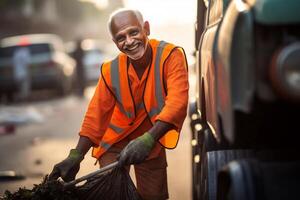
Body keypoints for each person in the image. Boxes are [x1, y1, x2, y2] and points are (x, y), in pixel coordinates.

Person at [49, 8, 189, 200]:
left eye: (133, 32)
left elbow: (177, 103)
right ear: (115, 43)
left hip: (151, 140)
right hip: (114, 142)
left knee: (154, 196)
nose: (129, 41)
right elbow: (95, 116)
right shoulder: (111, 70)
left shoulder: (170, 56)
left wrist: (148, 140)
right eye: (121, 37)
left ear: (146, 28)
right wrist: (75, 156)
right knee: (110, 191)